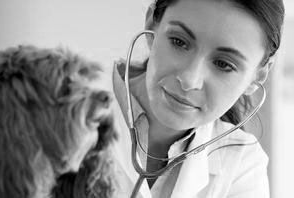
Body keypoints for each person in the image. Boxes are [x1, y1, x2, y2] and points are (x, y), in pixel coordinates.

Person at [110, 0, 285, 197]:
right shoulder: (70, 108)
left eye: (223, 64)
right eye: (179, 41)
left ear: (259, 75)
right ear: (152, 24)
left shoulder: (243, 164)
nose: (189, 80)